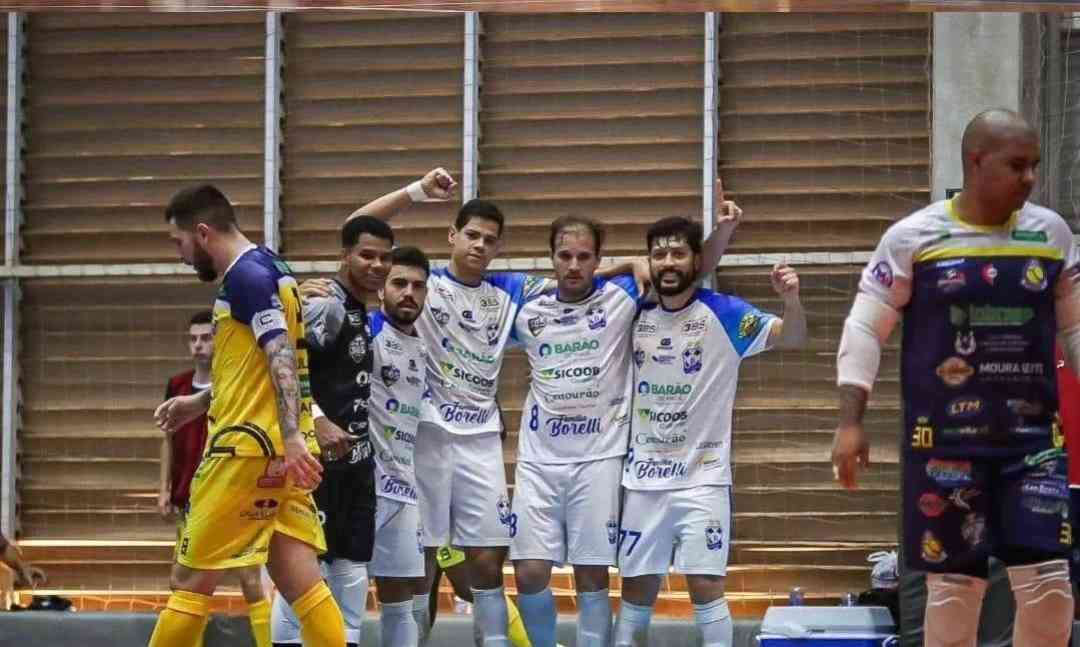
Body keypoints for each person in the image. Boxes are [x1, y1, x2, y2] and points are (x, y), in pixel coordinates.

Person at [832, 108, 1080, 647]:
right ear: (976, 161)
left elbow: (1076, 328)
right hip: (943, 447)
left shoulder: (1052, 234)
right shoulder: (912, 238)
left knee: (1049, 586)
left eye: (1035, 166)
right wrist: (850, 421)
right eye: (1017, 165)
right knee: (953, 589)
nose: (1030, 178)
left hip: (1033, 445)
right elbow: (864, 328)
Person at [508, 181, 741, 647]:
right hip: (538, 459)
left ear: (598, 259)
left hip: (600, 457)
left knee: (592, 573)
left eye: (584, 256)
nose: (574, 265)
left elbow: (689, 271)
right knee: (530, 571)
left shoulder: (624, 296)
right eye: (564, 255)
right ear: (551, 257)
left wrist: (725, 230)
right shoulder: (524, 304)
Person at [150, 184, 344, 647]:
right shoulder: (273, 267)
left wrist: (295, 435)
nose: (180, 255)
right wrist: (198, 402)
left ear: (202, 233)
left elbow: (280, 354)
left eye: (179, 243)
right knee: (302, 582)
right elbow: (259, 366)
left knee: (187, 580)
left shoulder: (244, 278)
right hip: (278, 452)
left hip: (244, 453)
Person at [613, 216, 807, 647]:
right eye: (658, 254)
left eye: (678, 253)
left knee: (705, 588)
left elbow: (791, 338)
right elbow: (585, 280)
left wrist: (791, 301)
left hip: (703, 481)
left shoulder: (724, 312)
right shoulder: (634, 311)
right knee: (635, 593)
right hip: (642, 482)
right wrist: (628, 264)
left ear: (696, 261)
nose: (667, 262)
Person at [271, 216, 394, 647]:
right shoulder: (326, 304)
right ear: (345, 255)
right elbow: (283, 369)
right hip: (314, 464)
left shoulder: (364, 310)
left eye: (384, 257)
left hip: (357, 464)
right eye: (366, 255)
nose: (377, 265)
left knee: (353, 568)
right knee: (305, 572)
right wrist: (318, 418)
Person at [158, 309, 269, 646]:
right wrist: (163, 488)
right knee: (182, 581)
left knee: (250, 577)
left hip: (232, 491)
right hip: (189, 495)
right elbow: (167, 437)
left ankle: (267, 640)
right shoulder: (177, 385)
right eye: (193, 339)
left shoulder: (234, 382)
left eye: (206, 337)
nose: (198, 345)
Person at [367, 245, 431, 647]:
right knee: (340, 585)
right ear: (381, 290)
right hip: (357, 484)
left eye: (418, 286)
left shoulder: (423, 347)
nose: (408, 292)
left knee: (400, 594)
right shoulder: (364, 330)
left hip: (403, 486)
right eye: (399, 283)